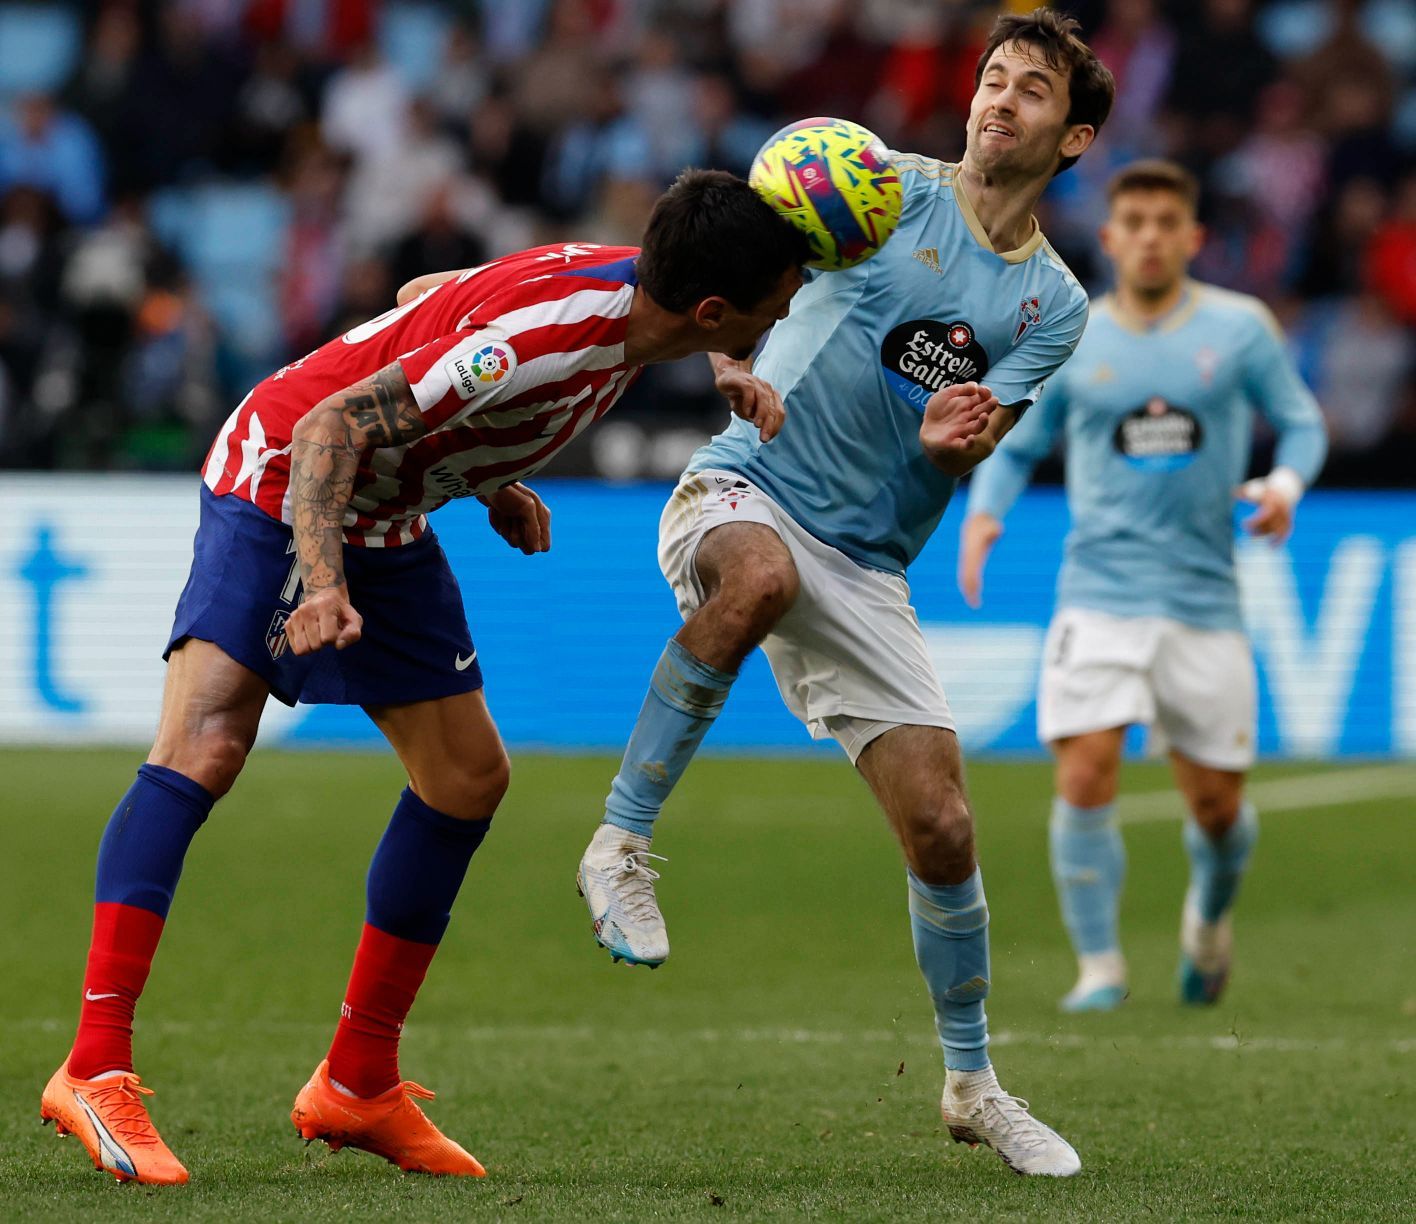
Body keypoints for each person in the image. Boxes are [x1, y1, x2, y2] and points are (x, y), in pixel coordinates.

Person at [40, 169, 809, 1186]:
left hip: (387, 509)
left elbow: (426, 300)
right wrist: (321, 586)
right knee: (208, 742)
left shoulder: (636, 295)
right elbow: (331, 429)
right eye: (781, 294)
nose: (793, 302)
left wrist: (493, 473)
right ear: (713, 308)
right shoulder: (546, 341)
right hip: (287, 475)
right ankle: (93, 1068)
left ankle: (357, 1081)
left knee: (466, 778)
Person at [577, 9, 1114, 1178]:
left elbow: (973, 440)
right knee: (757, 577)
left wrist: (953, 438)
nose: (997, 101)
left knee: (946, 826)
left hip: (868, 563)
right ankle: (618, 844)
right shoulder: (871, 188)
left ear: (1072, 140)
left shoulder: (1054, 307)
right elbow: (705, 269)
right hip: (747, 486)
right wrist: (722, 359)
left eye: (1030, 91)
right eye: (992, 78)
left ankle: (973, 1085)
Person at [958, 159, 1327, 1013]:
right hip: (1099, 592)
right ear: (1112, 236)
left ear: (1194, 237)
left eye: (1169, 222)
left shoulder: (1239, 329)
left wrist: (1283, 488)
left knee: (1215, 808)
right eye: (1136, 222)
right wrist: (985, 514)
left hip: (1205, 600)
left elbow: (1303, 422)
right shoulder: (1072, 330)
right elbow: (1015, 437)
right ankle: (1101, 967)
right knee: (1085, 774)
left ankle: (1207, 922)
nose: (1152, 237)